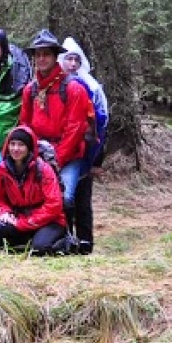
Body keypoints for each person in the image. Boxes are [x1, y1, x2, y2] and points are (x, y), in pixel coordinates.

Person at [19, 29, 95, 216]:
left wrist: (56, 161)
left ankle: (66, 239)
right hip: (38, 152)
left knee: (64, 197)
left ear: (55, 57)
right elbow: (25, 125)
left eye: (47, 54)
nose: (42, 59)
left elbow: (75, 130)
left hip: (68, 155)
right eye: (38, 55)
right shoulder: (30, 90)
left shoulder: (73, 89)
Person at [0, 125, 67, 253]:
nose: (16, 149)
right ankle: (26, 243)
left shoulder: (43, 170)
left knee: (40, 248)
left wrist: (27, 222)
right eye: (12, 144)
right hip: (19, 218)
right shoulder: (3, 170)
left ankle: (65, 243)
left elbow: (54, 205)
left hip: (48, 221)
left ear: (29, 148)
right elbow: (0, 199)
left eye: (21, 145)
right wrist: (5, 212)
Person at [60, 36, 108, 254]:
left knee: (82, 197)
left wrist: (96, 158)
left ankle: (85, 241)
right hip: (62, 151)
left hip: (85, 152)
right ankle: (66, 237)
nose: (72, 64)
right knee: (64, 195)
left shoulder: (91, 86)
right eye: (68, 59)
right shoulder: (54, 85)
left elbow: (101, 122)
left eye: (76, 60)